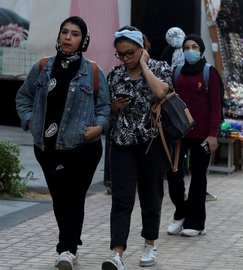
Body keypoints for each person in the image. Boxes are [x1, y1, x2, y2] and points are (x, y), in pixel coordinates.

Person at [15, 16, 110, 270]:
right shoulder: (42, 67)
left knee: (74, 196)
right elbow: (23, 98)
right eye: (64, 32)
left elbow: (104, 106)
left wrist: (99, 127)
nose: (68, 37)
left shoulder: (92, 71)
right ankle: (70, 242)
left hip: (84, 149)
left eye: (75, 34)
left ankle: (66, 250)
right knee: (60, 198)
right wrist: (30, 121)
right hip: (47, 149)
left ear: (84, 39)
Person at [102, 26, 172, 270]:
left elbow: (161, 92)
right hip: (121, 143)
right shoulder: (115, 74)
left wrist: (144, 66)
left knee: (151, 197)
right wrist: (115, 107)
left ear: (142, 48)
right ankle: (117, 253)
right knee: (121, 200)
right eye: (120, 54)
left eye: (130, 53)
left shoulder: (160, 68)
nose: (125, 59)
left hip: (151, 143)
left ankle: (149, 244)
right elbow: (106, 110)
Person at [165, 34, 222, 237]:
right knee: (173, 175)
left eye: (194, 46)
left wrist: (213, 134)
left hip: (203, 136)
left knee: (198, 177)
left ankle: (195, 223)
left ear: (202, 50)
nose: (190, 50)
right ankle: (181, 212)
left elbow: (216, 106)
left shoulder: (210, 73)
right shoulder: (177, 73)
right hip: (179, 135)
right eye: (186, 47)